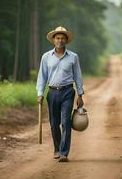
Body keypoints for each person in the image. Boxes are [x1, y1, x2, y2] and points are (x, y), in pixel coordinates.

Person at [36, 26, 84, 162]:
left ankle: (64, 153)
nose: (60, 40)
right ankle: (57, 148)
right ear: (53, 40)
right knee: (54, 123)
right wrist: (40, 93)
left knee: (65, 122)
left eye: (63, 38)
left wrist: (80, 94)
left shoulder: (73, 57)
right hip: (52, 93)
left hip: (68, 92)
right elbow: (42, 77)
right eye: (58, 38)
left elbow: (78, 76)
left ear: (66, 40)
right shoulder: (46, 57)